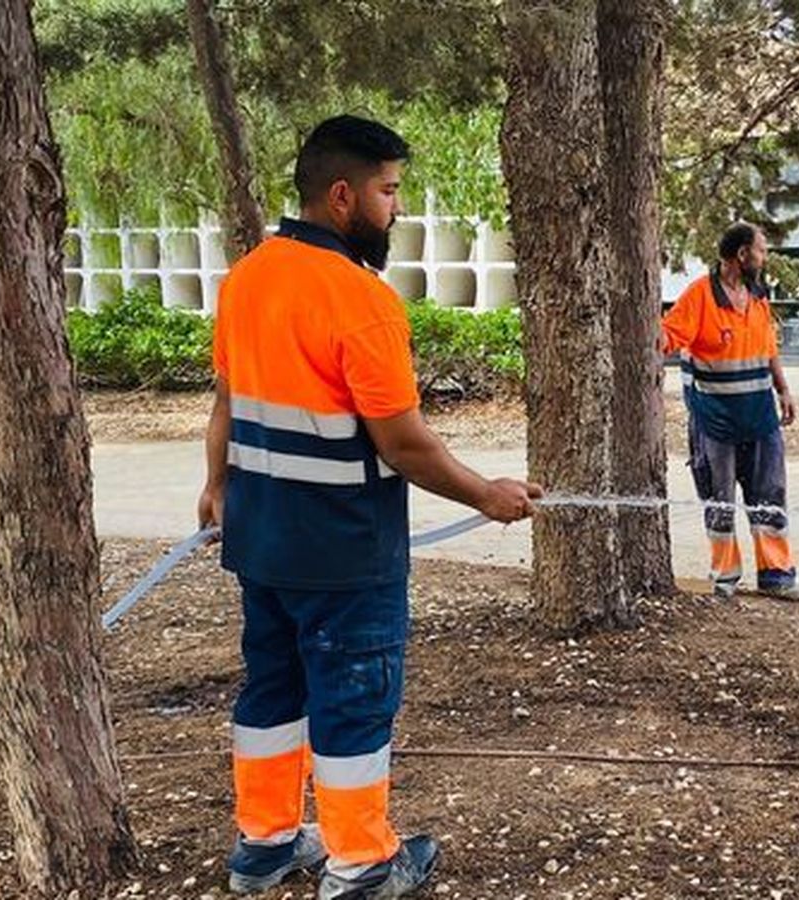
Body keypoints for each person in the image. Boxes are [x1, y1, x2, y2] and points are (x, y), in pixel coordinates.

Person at [198, 115, 541, 900]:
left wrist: (216, 488)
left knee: (272, 693)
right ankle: (359, 866)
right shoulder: (361, 299)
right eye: (388, 193)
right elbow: (404, 445)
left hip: (260, 541)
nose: (395, 210)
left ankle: (264, 848)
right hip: (344, 554)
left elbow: (225, 400)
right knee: (352, 702)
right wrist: (489, 494)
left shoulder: (247, 277)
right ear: (344, 194)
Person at [661, 222, 799, 601]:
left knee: (770, 496)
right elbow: (667, 337)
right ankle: (726, 578)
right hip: (715, 423)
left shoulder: (758, 295)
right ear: (742, 255)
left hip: (760, 419)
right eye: (761, 250)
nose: (765, 257)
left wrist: (784, 390)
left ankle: (777, 576)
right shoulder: (699, 297)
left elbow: (768, 347)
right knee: (720, 501)